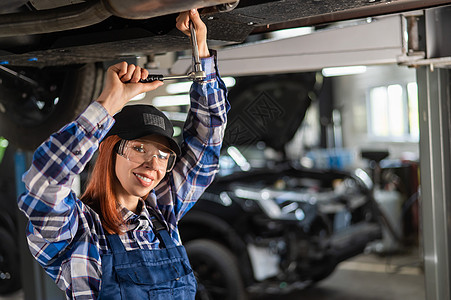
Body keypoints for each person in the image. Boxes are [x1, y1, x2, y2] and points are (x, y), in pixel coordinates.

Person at [17, 9, 229, 300]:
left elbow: (207, 143)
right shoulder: (78, 233)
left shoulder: (162, 215)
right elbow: (43, 186)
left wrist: (200, 49)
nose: (153, 164)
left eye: (163, 155)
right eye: (139, 148)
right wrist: (109, 103)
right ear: (109, 149)